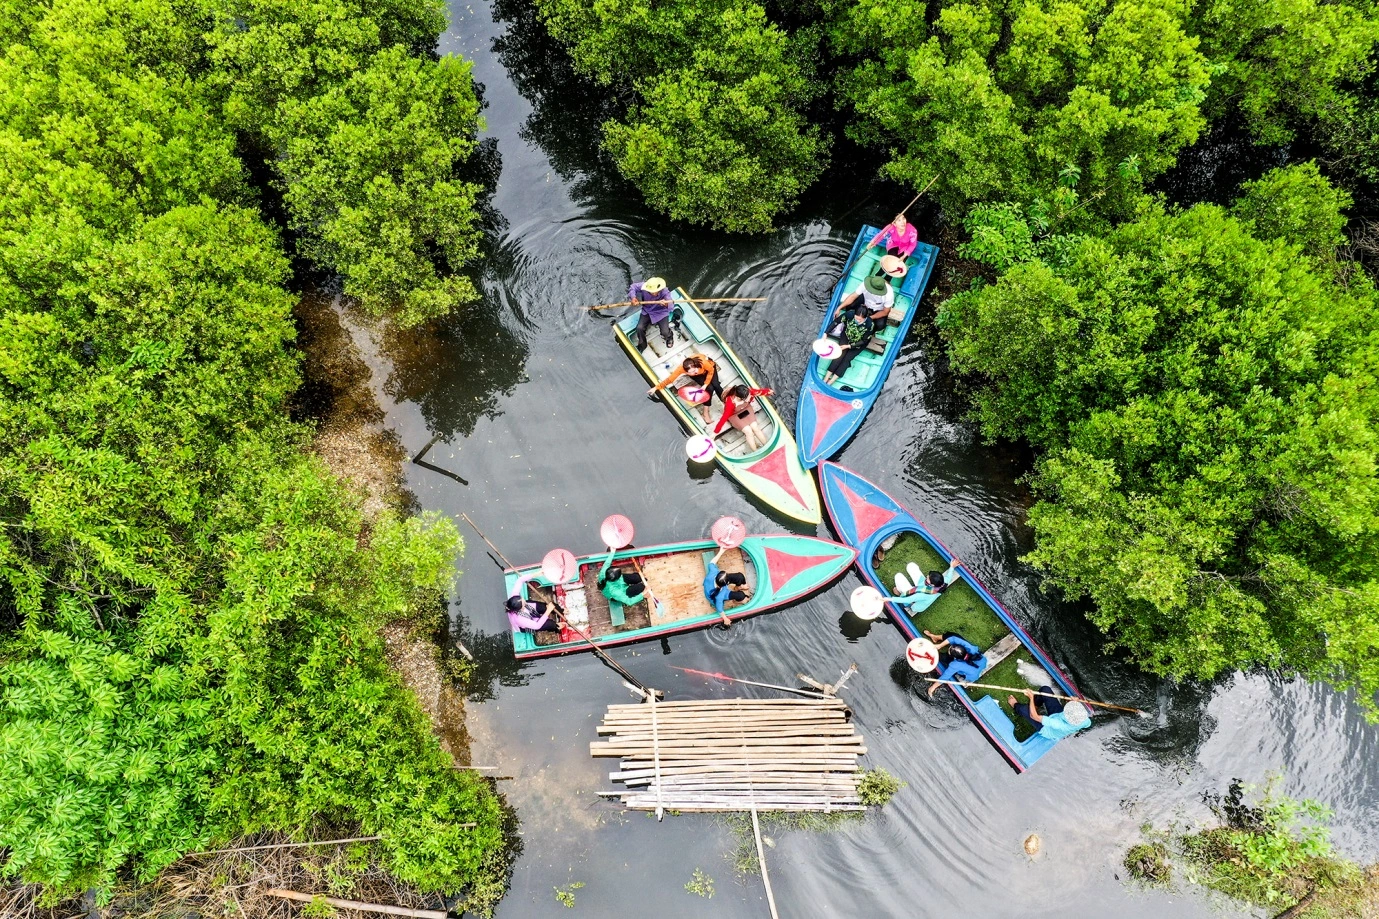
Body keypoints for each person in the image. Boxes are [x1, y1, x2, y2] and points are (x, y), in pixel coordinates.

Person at [821, 296, 882, 387]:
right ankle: (826, 378)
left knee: (846, 360)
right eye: (856, 317)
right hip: (846, 336)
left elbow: (864, 340)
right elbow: (836, 322)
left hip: (858, 343)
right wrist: (826, 333)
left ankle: (831, 381)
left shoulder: (870, 325)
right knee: (839, 355)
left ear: (865, 318)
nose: (857, 320)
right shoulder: (849, 314)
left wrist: (849, 346)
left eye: (860, 319)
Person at [649, 355, 722, 423]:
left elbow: (711, 370)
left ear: (696, 365)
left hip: (709, 370)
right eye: (690, 372)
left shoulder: (703, 362)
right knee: (710, 388)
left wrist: (705, 384)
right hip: (699, 375)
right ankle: (705, 412)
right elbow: (669, 379)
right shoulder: (681, 369)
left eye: (694, 370)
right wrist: (656, 388)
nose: (694, 372)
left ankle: (727, 403)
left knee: (716, 385)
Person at [1008, 688, 1091, 740]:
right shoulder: (1085, 720)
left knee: (1023, 709)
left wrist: (1031, 697)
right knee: (1045, 690)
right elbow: (1088, 725)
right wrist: (1074, 703)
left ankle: (1014, 705)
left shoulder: (1058, 724)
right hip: (1057, 715)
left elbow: (1034, 716)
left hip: (1047, 728)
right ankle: (1035, 706)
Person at [921, 627, 982, 697]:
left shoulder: (955, 665)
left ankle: (935, 653)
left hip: (970, 674)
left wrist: (932, 688)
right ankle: (935, 637)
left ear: (955, 658)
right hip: (980, 663)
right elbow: (953, 638)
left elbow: (945, 677)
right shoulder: (970, 648)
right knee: (952, 636)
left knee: (939, 657)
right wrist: (939, 646)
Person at [714, 384, 773, 451]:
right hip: (734, 415)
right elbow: (723, 419)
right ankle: (755, 451)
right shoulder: (730, 404)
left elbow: (759, 392)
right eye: (747, 397)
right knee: (748, 431)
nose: (750, 397)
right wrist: (715, 433)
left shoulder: (747, 392)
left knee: (755, 426)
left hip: (745, 408)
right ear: (740, 398)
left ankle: (767, 446)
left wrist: (768, 391)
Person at [630, 276, 675, 353]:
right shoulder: (644, 286)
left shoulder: (665, 291)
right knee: (639, 328)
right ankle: (642, 344)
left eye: (655, 291)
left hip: (661, 312)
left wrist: (665, 304)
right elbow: (633, 287)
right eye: (651, 291)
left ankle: (669, 336)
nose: (653, 293)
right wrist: (633, 297)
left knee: (664, 332)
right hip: (647, 310)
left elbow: (671, 305)